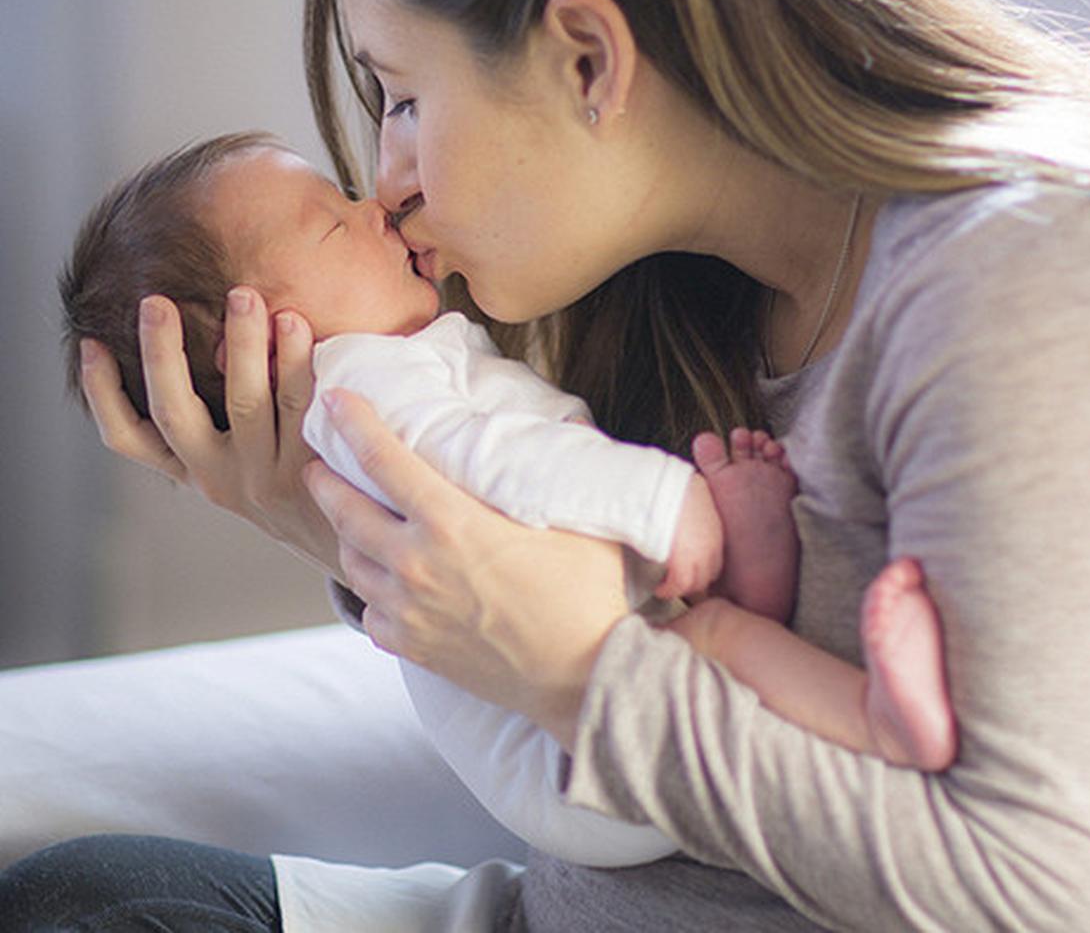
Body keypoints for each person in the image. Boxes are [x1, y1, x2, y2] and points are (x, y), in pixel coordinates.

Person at [5, 0, 1090, 933]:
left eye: (403, 97)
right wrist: (329, 510)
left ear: (588, 57)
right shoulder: (673, 287)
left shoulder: (1034, 282)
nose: (387, 181)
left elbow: (1043, 898)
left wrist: (582, 674)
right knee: (85, 899)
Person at [52, 130, 956, 865]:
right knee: (712, 639)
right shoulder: (358, 384)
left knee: (713, 636)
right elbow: (501, 461)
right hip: (573, 766)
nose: (376, 203)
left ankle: (780, 625)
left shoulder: (389, 368)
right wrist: (666, 501)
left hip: (598, 733)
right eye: (331, 222)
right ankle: (868, 717)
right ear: (256, 338)